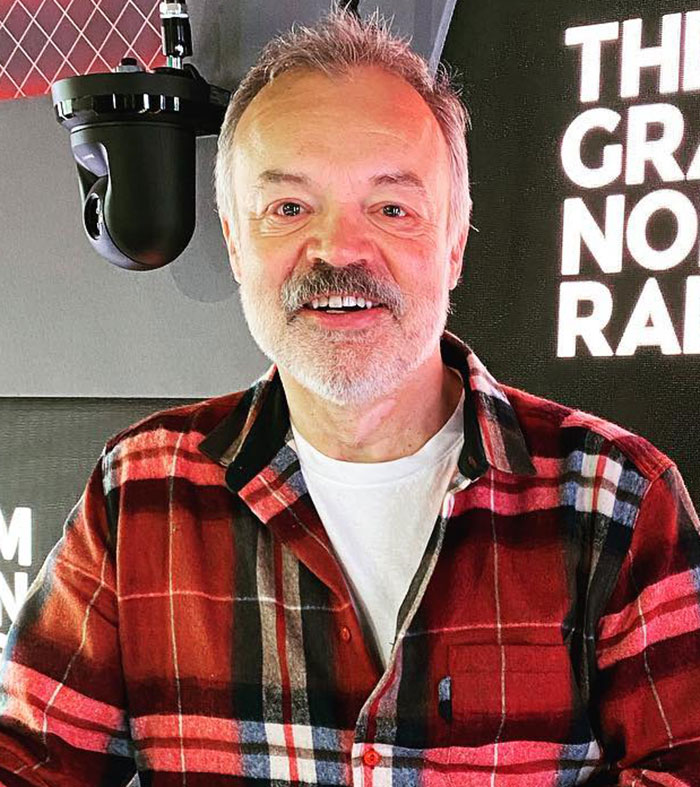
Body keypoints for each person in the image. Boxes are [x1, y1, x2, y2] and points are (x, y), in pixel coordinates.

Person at [1, 5, 700, 785]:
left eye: (393, 207)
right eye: (289, 207)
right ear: (236, 240)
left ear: (454, 244)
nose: (338, 249)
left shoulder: (620, 502)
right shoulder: (140, 490)